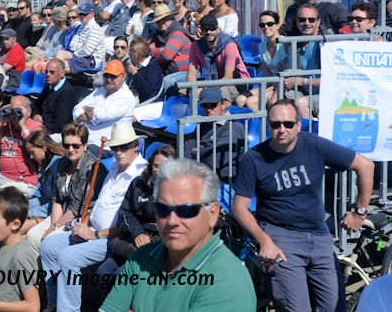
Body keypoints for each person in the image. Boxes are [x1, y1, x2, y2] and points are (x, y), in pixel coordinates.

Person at [232, 99, 375, 312]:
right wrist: (264, 241)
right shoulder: (254, 158)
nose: (282, 129)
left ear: (298, 125)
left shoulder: (313, 144)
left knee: (334, 307)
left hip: (319, 235)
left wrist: (360, 212)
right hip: (281, 237)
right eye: (276, 124)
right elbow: (239, 208)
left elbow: (365, 166)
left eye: (288, 124)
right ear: (268, 126)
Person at [101, 158, 257, 311]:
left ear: (213, 213)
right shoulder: (140, 258)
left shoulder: (228, 280)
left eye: (186, 210)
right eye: (162, 209)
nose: (172, 221)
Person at [41, 122, 148, 312]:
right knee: (48, 246)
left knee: (68, 257)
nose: (118, 152)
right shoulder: (115, 168)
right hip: (91, 230)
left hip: (111, 238)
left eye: (124, 147)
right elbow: (99, 205)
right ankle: (55, 302)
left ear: (135, 146)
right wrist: (85, 224)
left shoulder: (140, 175)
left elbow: (129, 221)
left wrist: (93, 235)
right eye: (115, 147)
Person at [26, 122, 106, 250]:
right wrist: (53, 225)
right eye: (66, 145)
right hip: (61, 212)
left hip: (79, 217)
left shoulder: (91, 168)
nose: (70, 150)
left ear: (85, 146)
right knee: (32, 236)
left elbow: (76, 208)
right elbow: (56, 198)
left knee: (48, 242)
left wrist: (54, 228)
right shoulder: (62, 163)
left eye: (75, 145)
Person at [106, 144, 177, 270]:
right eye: (155, 166)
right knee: (103, 271)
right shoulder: (138, 184)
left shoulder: (180, 190)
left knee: (123, 276)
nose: (158, 170)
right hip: (135, 239)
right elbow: (125, 213)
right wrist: (138, 234)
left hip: (160, 246)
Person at [185, 87, 247, 203]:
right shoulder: (203, 124)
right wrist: (204, 150)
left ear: (223, 104)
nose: (209, 110)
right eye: (205, 105)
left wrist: (196, 151)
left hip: (225, 185)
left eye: (212, 105)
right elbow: (186, 151)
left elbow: (215, 159)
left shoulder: (234, 127)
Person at [72, 60, 137, 150]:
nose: (109, 79)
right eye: (106, 75)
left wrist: (88, 111)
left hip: (104, 147)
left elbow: (101, 115)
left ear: (123, 76)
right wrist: (90, 113)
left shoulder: (127, 97)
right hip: (82, 140)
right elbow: (77, 108)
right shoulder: (101, 90)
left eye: (113, 76)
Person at [187, 13, 250, 105]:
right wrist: (194, 89)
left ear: (218, 29)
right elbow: (191, 74)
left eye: (212, 28)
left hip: (237, 82)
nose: (208, 32)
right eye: (205, 29)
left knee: (219, 94)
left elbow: (228, 77)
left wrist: (205, 90)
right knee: (186, 90)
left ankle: (224, 117)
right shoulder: (196, 46)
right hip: (212, 82)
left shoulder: (229, 45)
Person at [282, 4, 323, 119]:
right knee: (277, 99)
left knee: (301, 103)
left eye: (311, 20)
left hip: (325, 95)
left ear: (318, 22)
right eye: (302, 20)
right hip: (304, 92)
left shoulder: (326, 44)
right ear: (296, 22)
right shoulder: (293, 45)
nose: (307, 23)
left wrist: (302, 81)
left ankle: (309, 135)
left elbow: (331, 81)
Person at [20, 131, 65, 233]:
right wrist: (23, 206)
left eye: (32, 152)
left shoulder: (58, 166)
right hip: (44, 207)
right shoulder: (44, 164)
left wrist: (30, 212)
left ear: (44, 147)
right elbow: (41, 194)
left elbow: (55, 202)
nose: (31, 157)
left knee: (19, 229)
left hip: (53, 212)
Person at [279, 0, 349, 36]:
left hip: (328, 47)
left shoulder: (335, 6)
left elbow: (347, 29)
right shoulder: (296, 9)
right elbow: (284, 31)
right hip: (300, 48)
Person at [244, 10, 285, 110]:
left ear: (278, 25)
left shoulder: (284, 44)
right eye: (262, 25)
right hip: (271, 84)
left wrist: (266, 90)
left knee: (250, 102)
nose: (266, 27)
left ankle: (266, 124)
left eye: (270, 24)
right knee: (241, 99)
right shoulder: (262, 46)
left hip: (283, 86)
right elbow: (267, 75)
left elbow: (285, 76)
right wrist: (262, 90)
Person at [150, 3, 193, 89]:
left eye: (164, 19)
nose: (161, 23)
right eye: (158, 21)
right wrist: (161, 50)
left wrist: (155, 51)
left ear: (170, 18)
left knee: (167, 81)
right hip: (171, 70)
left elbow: (166, 56)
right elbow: (146, 51)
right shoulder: (159, 34)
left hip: (187, 71)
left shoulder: (177, 33)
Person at [32, 59, 79, 135]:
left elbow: (61, 125)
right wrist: (35, 114)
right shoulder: (49, 87)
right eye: (46, 72)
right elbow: (36, 106)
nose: (48, 74)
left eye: (52, 72)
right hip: (42, 127)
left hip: (51, 134)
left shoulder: (67, 93)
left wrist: (42, 133)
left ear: (62, 73)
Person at [56, 3, 104, 74]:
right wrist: (82, 45)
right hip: (82, 56)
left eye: (85, 14)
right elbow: (72, 45)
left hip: (91, 60)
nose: (82, 17)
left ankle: (59, 82)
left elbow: (87, 51)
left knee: (58, 66)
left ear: (92, 14)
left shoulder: (95, 29)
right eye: (81, 14)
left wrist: (75, 53)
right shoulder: (81, 26)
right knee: (60, 53)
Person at [127, 36, 163, 103]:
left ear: (136, 53)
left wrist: (135, 74)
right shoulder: (139, 66)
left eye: (131, 51)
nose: (129, 54)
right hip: (141, 101)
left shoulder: (152, 66)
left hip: (153, 102)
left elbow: (147, 89)